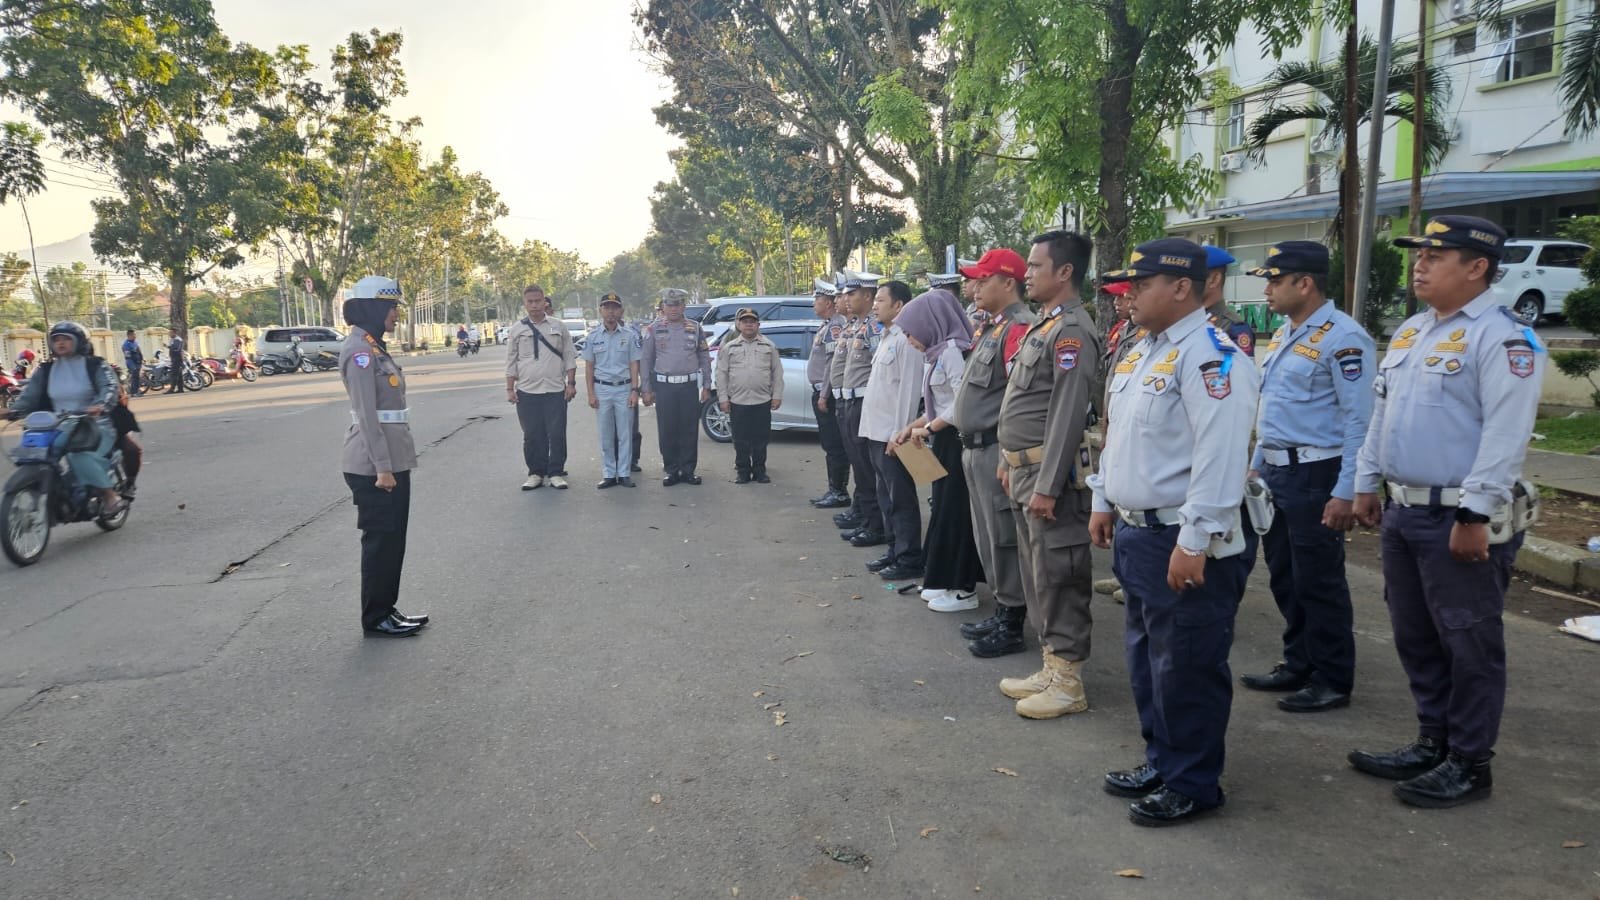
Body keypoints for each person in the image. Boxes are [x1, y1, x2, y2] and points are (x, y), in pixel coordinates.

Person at [1348, 215, 1544, 809]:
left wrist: (1475, 514)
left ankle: (1469, 760)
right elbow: (1382, 417)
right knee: (1415, 633)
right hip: (1405, 511)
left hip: (1458, 516)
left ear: (1478, 266)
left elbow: (1506, 434)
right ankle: (1432, 738)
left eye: (1436, 256)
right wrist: (1365, 483)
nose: (1420, 265)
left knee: (1468, 638)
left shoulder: (1505, 338)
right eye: (1419, 256)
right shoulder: (1412, 333)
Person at [1088, 238, 1260, 826]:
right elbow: (1122, 437)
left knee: (1186, 662)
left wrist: (1195, 541)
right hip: (1140, 533)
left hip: (1184, 538)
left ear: (1182, 287)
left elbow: (1220, 457)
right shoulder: (1142, 352)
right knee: (1146, 657)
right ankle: (1161, 758)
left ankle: (1193, 782)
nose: (1128, 295)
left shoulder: (1214, 356)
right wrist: (1104, 497)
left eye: (1141, 284)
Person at [1238, 241, 1375, 713]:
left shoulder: (1345, 337)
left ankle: (1333, 677)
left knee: (1319, 580)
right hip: (1277, 470)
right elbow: (1271, 409)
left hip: (1319, 472)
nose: (1268, 290)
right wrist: (1257, 462)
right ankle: (1299, 662)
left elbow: (1360, 421)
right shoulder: (1282, 335)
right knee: (1284, 575)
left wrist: (1347, 490)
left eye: (1276, 280)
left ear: (1305, 283)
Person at [992, 235, 1103, 720]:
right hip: (1023, 469)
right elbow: (1022, 404)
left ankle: (1069, 682)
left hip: (1047, 475)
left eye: (1036, 265)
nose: (1027, 273)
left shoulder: (1073, 331)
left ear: (1064, 273)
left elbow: (1066, 414)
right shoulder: (1045, 324)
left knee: (1061, 575)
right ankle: (1051, 664)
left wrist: (1047, 485)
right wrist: (1006, 457)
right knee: (1038, 576)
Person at [950, 254, 1037, 657]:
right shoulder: (993, 327)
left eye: (981, 280)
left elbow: (1018, 399)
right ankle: (1003, 608)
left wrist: (1007, 454)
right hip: (974, 448)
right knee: (986, 534)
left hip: (995, 449)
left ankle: (1013, 620)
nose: (973, 288)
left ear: (1007, 282)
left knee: (1004, 537)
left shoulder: (1018, 327)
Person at [338, 276, 426, 638]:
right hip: (374, 465)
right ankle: (375, 617)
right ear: (375, 307)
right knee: (380, 543)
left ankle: (388, 608)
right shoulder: (359, 351)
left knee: (394, 541)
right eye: (391, 307)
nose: (395, 315)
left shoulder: (374, 347)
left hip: (392, 459)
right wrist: (384, 468)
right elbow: (368, 414)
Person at [891, 287, 983, 611]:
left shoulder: (953, 352)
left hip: (956, 439)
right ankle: (942, 578)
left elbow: (961, 405)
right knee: (942, 509)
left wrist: (928, 428)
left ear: (930, 323)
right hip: (943, 438)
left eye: (911, 331)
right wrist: (913, 427)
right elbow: (938, 406)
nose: (909, 338)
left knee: (955, 513)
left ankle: (963, 588)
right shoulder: (937, 353)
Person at [7, 322, 124, 516]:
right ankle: (52, 488)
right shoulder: (45, 369)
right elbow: (30, 395)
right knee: (34, 452)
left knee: (78, 455)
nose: (60, 343)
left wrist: (100, 405)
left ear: (80, 342)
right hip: (58, 423)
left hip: (92, 423)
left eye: (66, 339)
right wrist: (12, 411)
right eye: (56, 339)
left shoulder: (95, 365)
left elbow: (109, 387)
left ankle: (109, 496)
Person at [859, 280, 926, 580]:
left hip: (892, 436)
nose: (875, 305)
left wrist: (899, 434)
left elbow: (909, 393)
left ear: (899, 305)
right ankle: (893, 550)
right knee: (885, 497)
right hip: (876, 432)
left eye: (881, 300)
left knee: (901, 499)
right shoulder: (886, 337)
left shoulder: (905, 341)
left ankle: (909, 557)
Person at [505, 284, 576, 490]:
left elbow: (569, 356)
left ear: (545, 302)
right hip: (527, 390)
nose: (535, 305)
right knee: (532, 435)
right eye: (530, 302)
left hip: (555, 390)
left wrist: (571, 383)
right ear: (525, 304)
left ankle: (555, 472)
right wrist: (510, 389)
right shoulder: (517, 329)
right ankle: (536, 472)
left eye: (538, 301)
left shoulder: (558, 326)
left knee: (556, 433)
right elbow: (511, 361)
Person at [836, 271, 888, 547]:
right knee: (859, 466)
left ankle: (875, 525)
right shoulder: (856, 325)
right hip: (849, 400)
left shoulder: (874, 328)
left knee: (868, 469)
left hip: (863, 402)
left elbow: (878, 369)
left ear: (867, 296)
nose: (846, 299)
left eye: (851, 294)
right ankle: (867, 520)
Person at [641, 288, 711, 486]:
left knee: (689, 429)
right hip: (664, 387)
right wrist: (646, 388)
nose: (673, 308)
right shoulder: (654, 329)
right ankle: (671, 470)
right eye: (669, 304)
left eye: (677, 304)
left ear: (684, 306)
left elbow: (704, 357)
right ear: (663, 306)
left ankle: (688, 470)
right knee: (668, 429)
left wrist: (707, 384)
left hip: (688, 386)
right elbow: (646, 359)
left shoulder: (695, 328)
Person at [716, 307, 784, 483]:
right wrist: (723, 399)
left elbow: (777, 373)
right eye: (745, 321)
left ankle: (760, 470)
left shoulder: (768, 346)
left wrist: (777, 395)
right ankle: (743, 471)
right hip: (738, 401)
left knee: (761, 439)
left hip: (762, 400)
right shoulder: (729, 347)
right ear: (739, 325)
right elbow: (721, 374)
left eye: (752, 322)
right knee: (740, 439)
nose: (748, 325)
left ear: (758, 325)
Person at [584, 292, 642, 489]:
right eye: (607, 307)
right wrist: (591, 393)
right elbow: (589, 367)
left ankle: (624, 473)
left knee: (625, 433)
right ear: (600, 310)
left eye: (615, 307)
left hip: (624, 388)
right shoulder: (592, 337)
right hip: (602, 390)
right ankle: (609, 473)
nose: (611, 311)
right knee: (606, 434)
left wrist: (635, 390)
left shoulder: (629, 335)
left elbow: (634, 364)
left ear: (621, 311)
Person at [807, 278, 851, 507]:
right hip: (822, 393)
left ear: (827, 302)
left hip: (828, 395)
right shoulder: (826, 325)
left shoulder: (835, 326)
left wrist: (824, 394)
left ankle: (839, 492)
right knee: (830, 444)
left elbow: (831, 365)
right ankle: (834, 488)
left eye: (817, 299)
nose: (814, 303)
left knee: (834, 445)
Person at [1200, 245, 1254, 357]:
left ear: (1214, 279)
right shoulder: (1187, 319)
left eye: (1194, 277)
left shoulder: (1233, 327)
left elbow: (1242, 372)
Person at [121, 329, 144, 396]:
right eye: (133, 334)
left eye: (135, 334)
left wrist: (142, 358)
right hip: (132, 363)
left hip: (138, 362)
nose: (135, 336)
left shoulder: (135, 342)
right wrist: (132, 366)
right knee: (134, 377)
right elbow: (128, 356)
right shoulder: (126, 344)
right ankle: (133, 392)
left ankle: (137, 391)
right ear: (129, 335)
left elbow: (139, 351)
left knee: (137, 377)